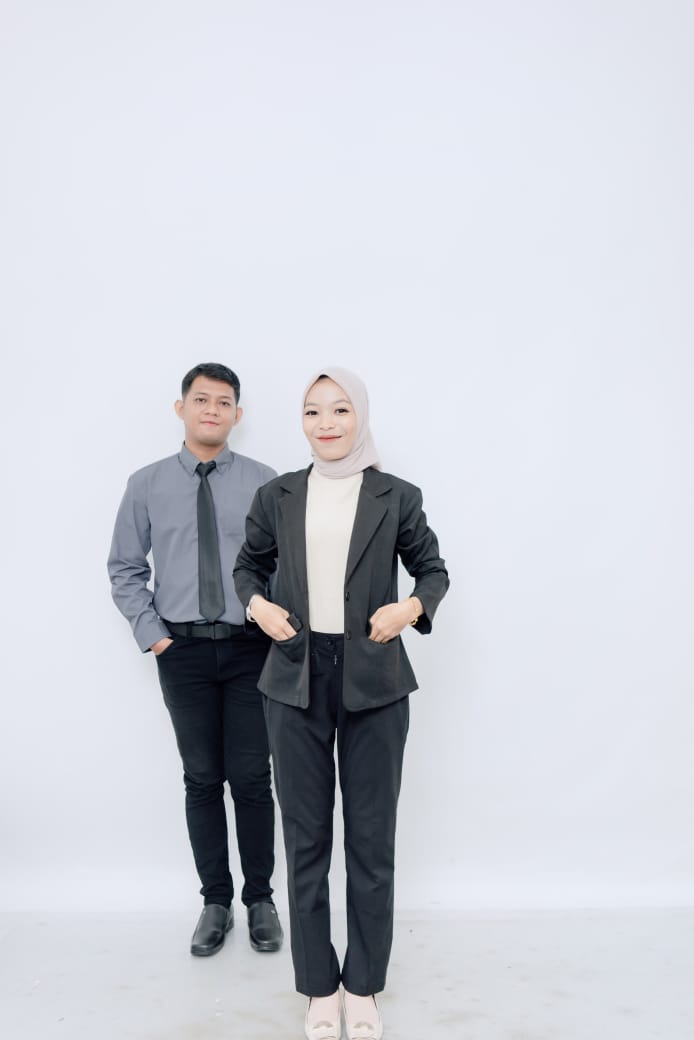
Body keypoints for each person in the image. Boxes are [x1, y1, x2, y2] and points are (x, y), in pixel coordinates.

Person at [233, 366, 449, 1040]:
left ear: (360, 416)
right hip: (294, 675)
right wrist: (258, 604)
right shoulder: (277, 494)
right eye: (312, 411)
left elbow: (433, 570)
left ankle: (363, 986)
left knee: (371, 840)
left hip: (374, 678)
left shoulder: (396, 495)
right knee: (305, 839)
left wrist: (409, 608)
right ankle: (319, 989)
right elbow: (247, 566)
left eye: (339, 410)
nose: (325, 423)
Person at [108, 362, 283, 958]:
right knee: (202, 778)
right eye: (202, 399)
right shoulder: (146, 484)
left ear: (238, 414)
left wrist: (277, 626)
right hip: (179, 650)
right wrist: (156, 637)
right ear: (181, 408)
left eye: (224, 401)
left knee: (252, 777)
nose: (213, 409)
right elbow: (125, 567)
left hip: (250, 648)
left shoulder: (265, 483)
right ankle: (215, 902)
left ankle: (260, 900)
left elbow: (285, 566)